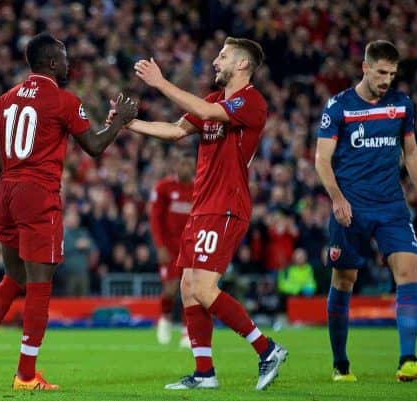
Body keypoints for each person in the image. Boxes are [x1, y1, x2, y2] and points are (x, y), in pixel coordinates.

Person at [0, 32, 137, 391]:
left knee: (15, 278)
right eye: (66, 58)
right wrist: (120, 120)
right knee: (39, 284)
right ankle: (26, 375)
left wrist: (13, 177)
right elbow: (95, 146)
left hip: (6, 193)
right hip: (38, 196)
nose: (69, 64)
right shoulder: (64, 100)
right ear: (53, 62)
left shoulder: (6, 98)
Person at [116, 36, 288, 391]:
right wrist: (129, 125)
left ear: (242, 64)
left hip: (226, 206)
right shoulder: (212, 100)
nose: (215, 61)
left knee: (205, 288)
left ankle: (267, 349)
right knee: (188, 288)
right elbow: (177, 130)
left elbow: (211, 115)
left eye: (223, 56)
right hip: (203, 207)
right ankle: (204, 373)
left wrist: (161, 82)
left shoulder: (251, 101)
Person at [315, 40, 417, 382]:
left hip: (391, 206)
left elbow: (412, 154)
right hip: (351, 208)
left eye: (392, 73)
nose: (387, 80)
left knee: (408, 271)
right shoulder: (338, 106)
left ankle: (408, 359)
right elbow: (322, 160)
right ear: (365, 68)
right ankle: (340, 364)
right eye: (381, 72)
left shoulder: (401, 105)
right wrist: (337, 198)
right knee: (344, 279)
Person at [150, 149, 194, 347]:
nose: (185, 167)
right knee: (170, 288)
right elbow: (155, 219)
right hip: (169, 247)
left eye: (188, 164)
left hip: (190, 247)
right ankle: (165, 318)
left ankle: (187, 331)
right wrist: (159, 246)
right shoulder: (164, 187)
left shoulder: (199, 188)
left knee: (190, 288)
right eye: (182, 163)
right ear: (177, 165)